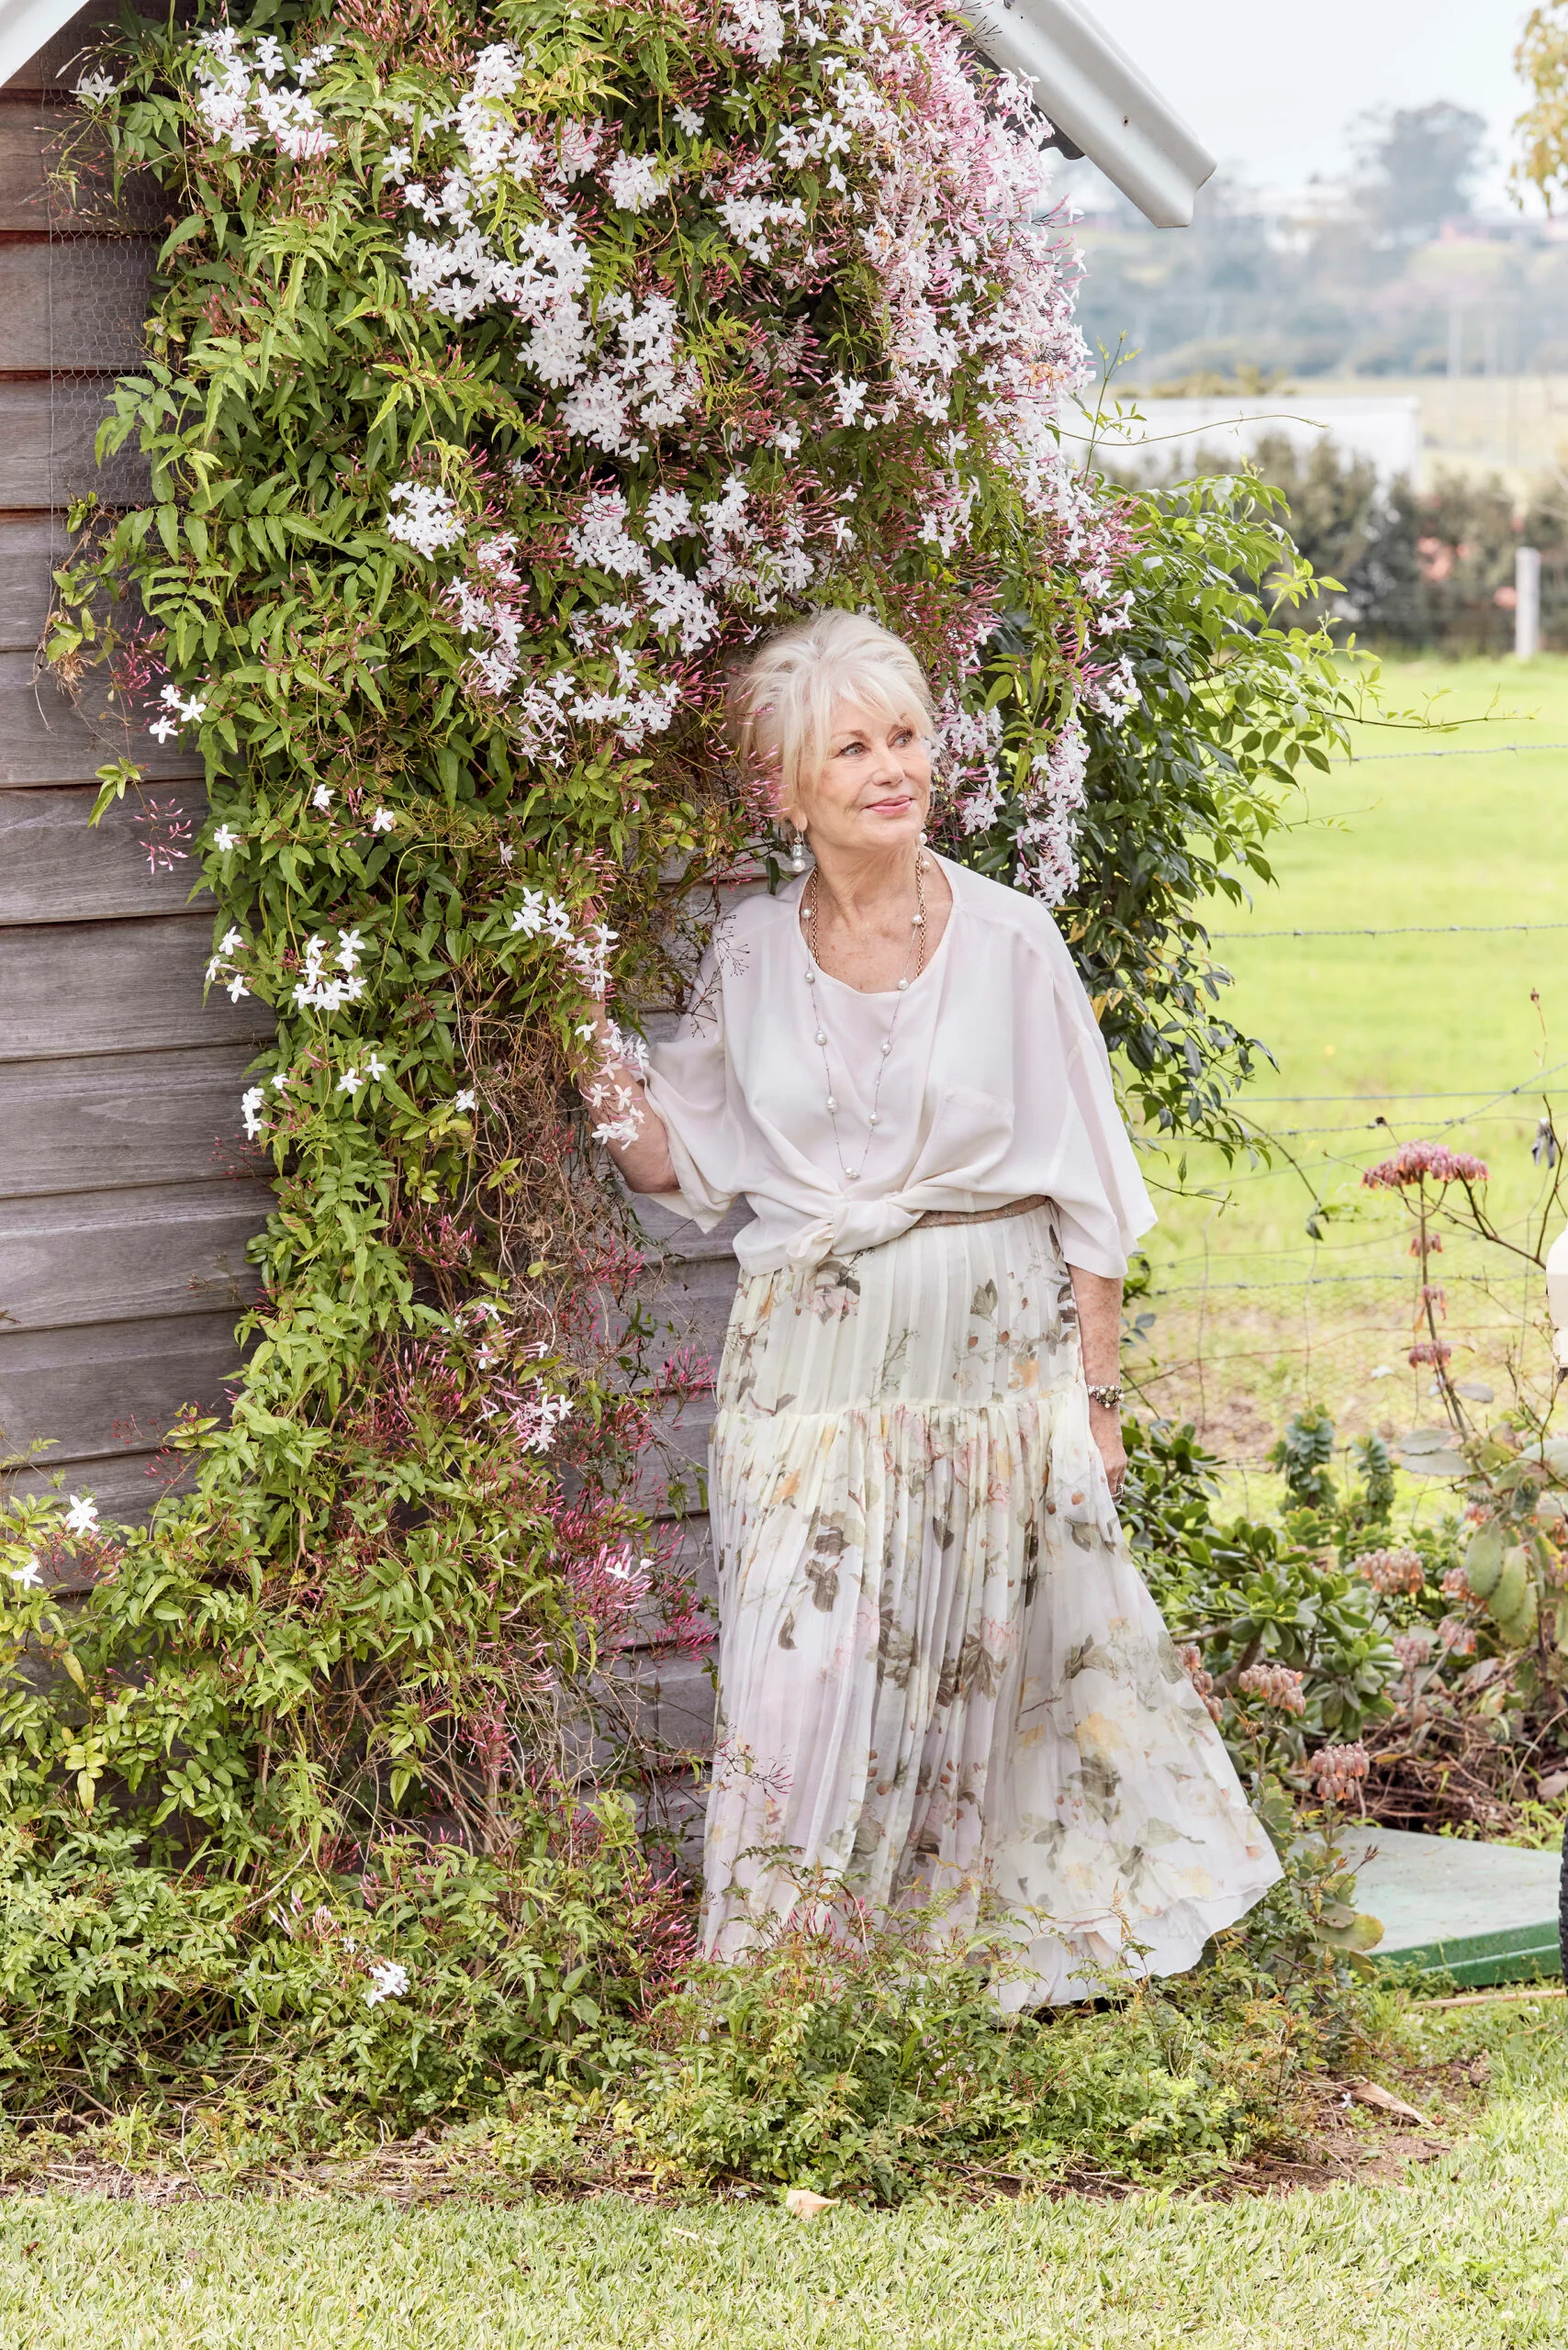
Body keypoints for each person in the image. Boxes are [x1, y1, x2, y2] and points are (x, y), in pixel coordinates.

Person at [590, 609, 1281, 2005]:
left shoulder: (1014, 941)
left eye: (905, 735)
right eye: (852, 746)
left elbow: (1093, 1190)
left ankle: (943, 1991)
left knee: (982, 1669)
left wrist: (1095, 1405)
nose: (892, 767)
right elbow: (684, 1157)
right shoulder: (745, 953)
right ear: (786, 789)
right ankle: (782, 1999)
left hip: (988, 1359)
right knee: (803, 1666)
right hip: (807, 1372)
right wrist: (568, 1025)